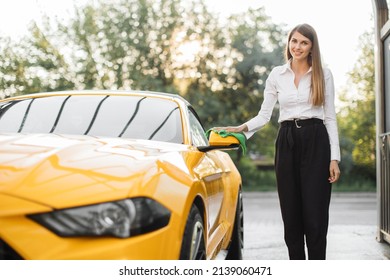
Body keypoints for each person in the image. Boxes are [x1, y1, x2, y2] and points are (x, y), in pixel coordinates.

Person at [215, 23, 340, 260]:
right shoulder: (276, 75)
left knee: (315, 216)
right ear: (288, 43)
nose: (298, 47)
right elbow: (264, 115)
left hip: (316, 140)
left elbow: (330, 117)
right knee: (291, 215)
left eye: (304, 42)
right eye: (294, 41)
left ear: (312, 47)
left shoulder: (324, 74)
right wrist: (242, 128)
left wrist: (334, 157)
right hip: (287, 141)